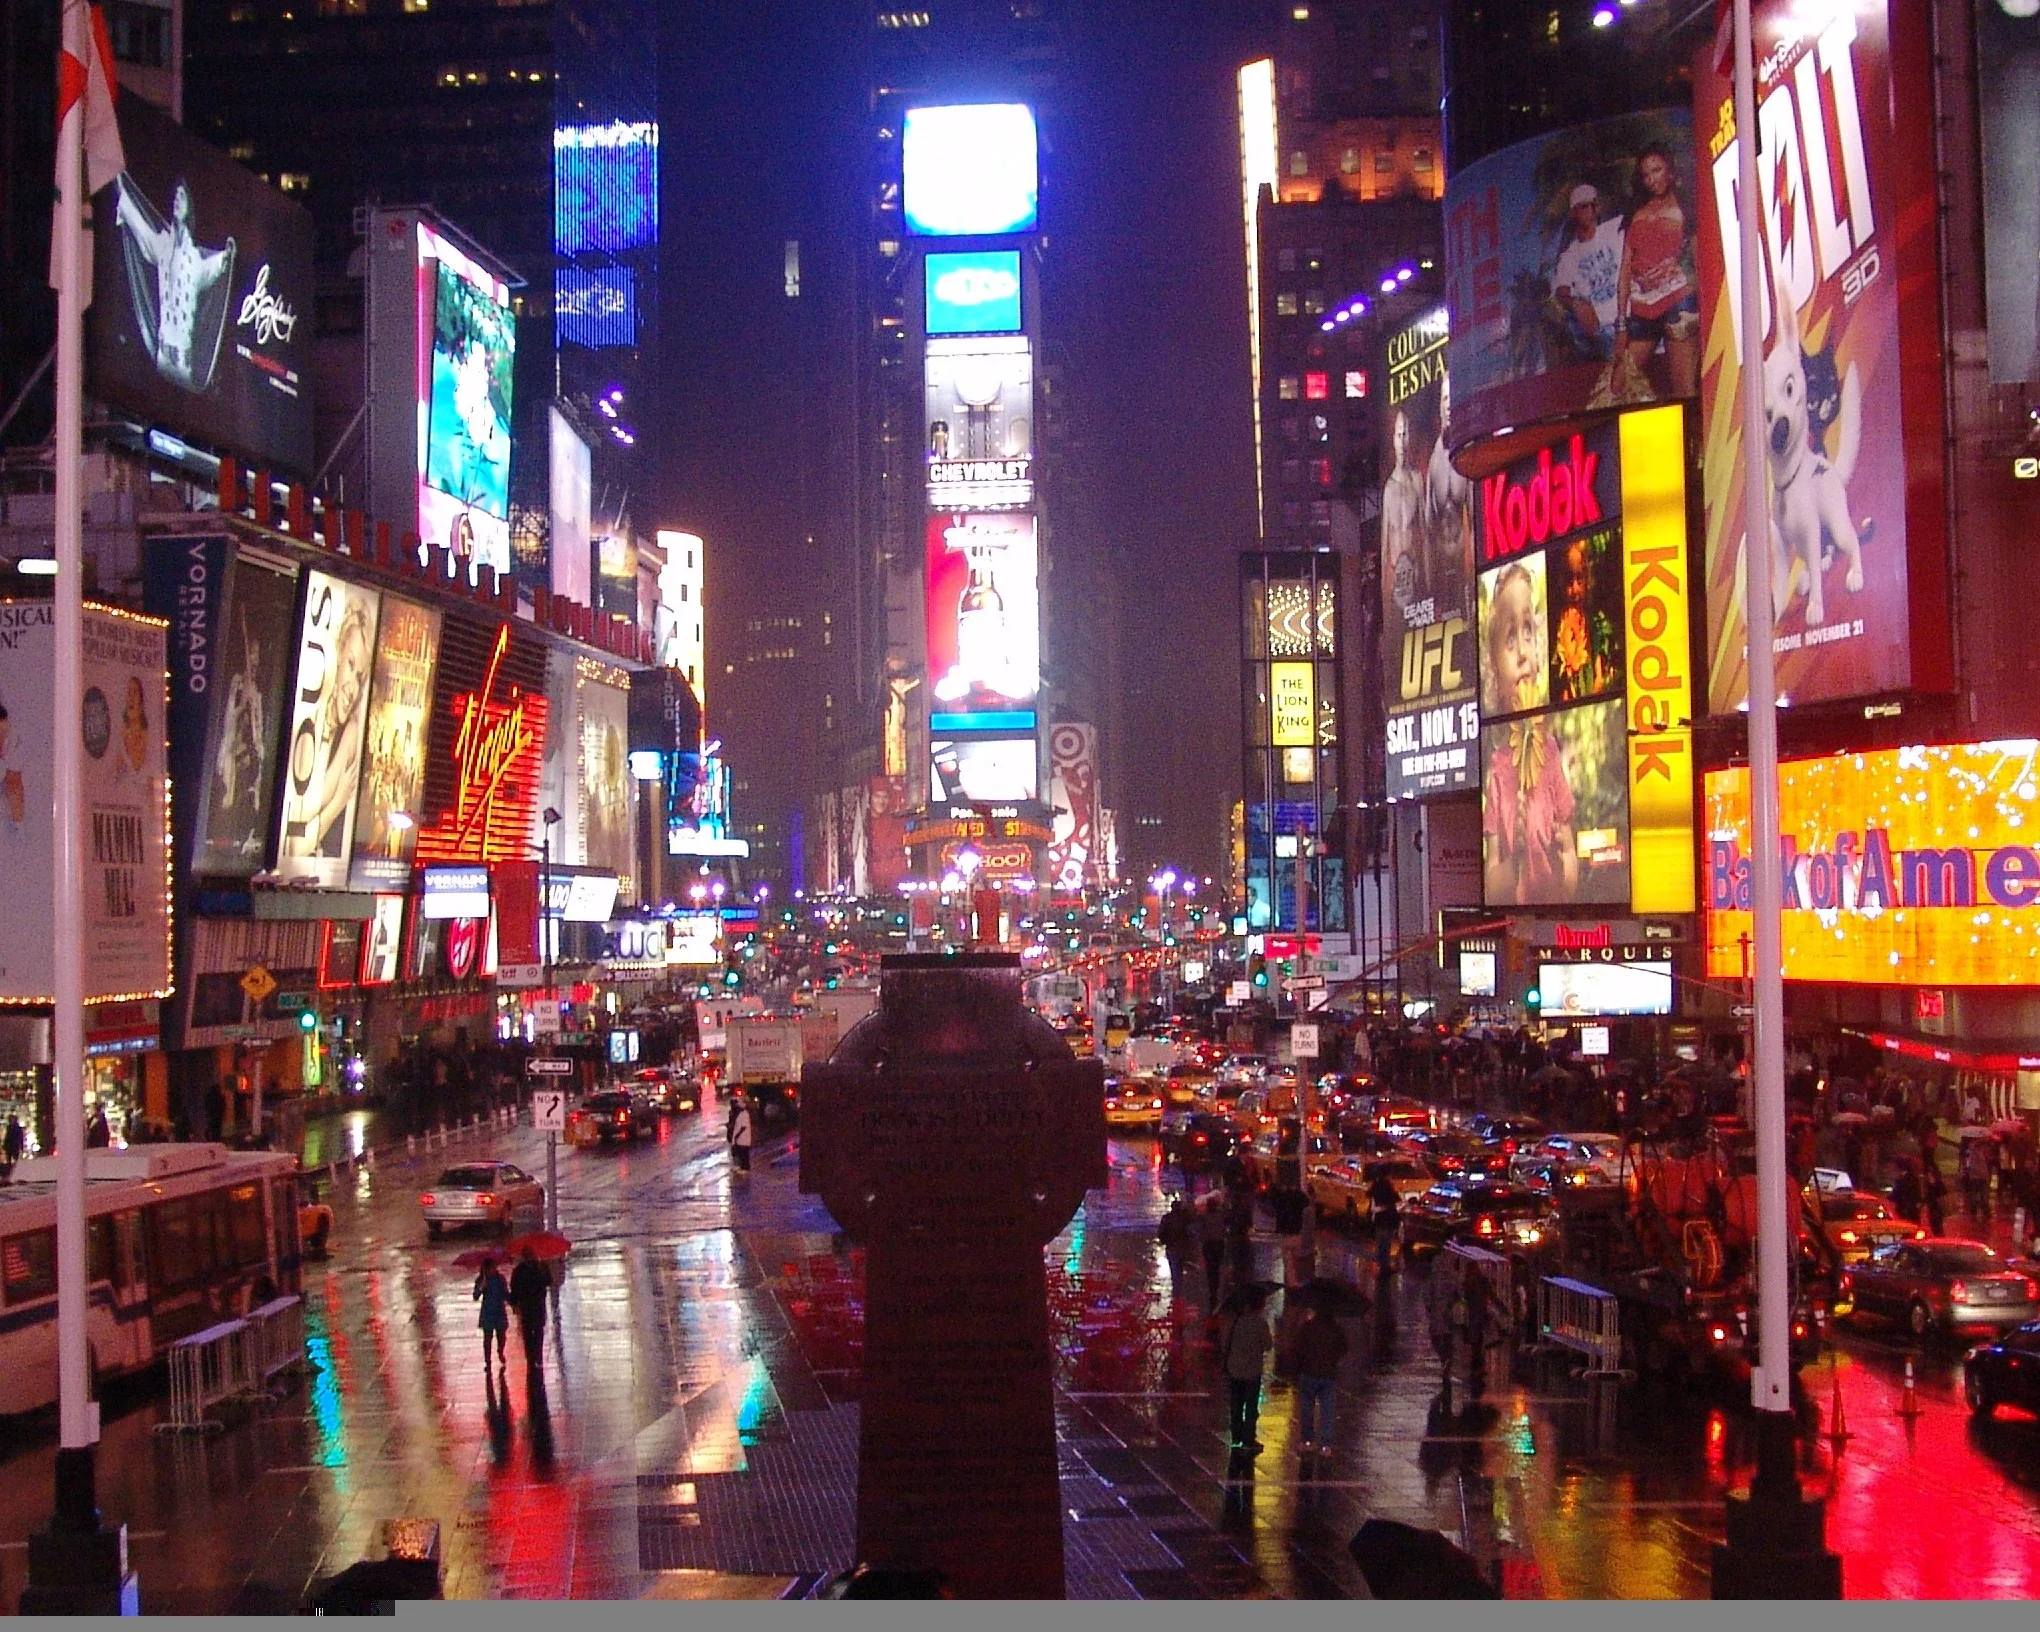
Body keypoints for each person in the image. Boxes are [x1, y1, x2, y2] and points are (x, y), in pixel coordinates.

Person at [1615, 145, 1698, 399]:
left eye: (1657, 170)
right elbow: (1625, 269)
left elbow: (1698, 258)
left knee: (1683, 390)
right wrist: (1621, 323)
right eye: (1646, 174)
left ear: (1669, 171)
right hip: (1642, 308)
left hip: (1678, 301)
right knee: (1617, 387)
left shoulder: (1685, 206)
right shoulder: (1636, 212)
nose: (1652, 179)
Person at [1551, 183, 1625, 362]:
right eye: (1579, 208)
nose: (1585, 212)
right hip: (1604, 328)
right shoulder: (1569, 256)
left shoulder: (1614, 229)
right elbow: (1561, 292)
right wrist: (1576, 304)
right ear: (1572, 213)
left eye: (1588, 206)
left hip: (1628, 317)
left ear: (1596, 208)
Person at [1217, 1286, 1272, 1455]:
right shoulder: (1260, 1323)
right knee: (1250, 1406)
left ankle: (1236, 1436)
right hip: (1252, 1371)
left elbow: (1225, 1343)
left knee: (1236, 1403)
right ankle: (1249, 1438)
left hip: (1235, 1369)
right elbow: (1268, 1345)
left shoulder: (1235, 1322)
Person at [1292, 1296, 1349, 1456]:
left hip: (1309, 1373)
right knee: (1327, 1409)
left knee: (1306, 1408)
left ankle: (1307, 1440)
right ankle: (1325, 1444)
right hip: (1328, 1374)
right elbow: (1343, 1348)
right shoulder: (1336, 1329)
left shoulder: (1308, 1327)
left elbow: (1298, 1349)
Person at [509, 1247, 550, 1370]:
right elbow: (515, 1288)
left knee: (535, 1332)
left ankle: (535, 1356)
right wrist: (515, 1303)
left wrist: (514, 1302)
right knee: (531, 1332)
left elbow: (548, 1281)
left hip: (534, 1306)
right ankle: (533, 1357)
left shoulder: (538, 1267)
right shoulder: (523, 1270)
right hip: (530, 1306)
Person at [473, 1259, 510, 1371]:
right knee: (487, 1339)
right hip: (488, 1312)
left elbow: (505, 1294)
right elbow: (475, 1296)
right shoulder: (481, 1280)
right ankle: (487, 1360)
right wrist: (481, 1287)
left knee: (501, 1336)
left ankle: (500, 1350)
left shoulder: (500, 1279)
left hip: (499, 1312)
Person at [1271, 1185, 1310, 1288]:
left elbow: (1273, 1205)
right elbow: (1307, 1201)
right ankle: (1293, 1281)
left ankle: (1291, 1283)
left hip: (1286, 1234)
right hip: (1296, 1233)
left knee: (1288, 1261)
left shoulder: (1281, 1198)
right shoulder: (1298, 1198)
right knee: (1294, 1259)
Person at [1368, 1168, 1402, 1276]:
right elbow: (1395, 1200)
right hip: (1388, 1219)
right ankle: (1384, 1266)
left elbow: (1370, 1196)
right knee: (1386, 1244)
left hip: (1379, 1219)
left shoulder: (1375, 1186)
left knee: (1380, 1242)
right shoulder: (1387, 1187)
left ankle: (1379, 1263)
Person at [1157, 1197, 1194, 1297]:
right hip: (1183, 1248)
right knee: (1180, 1271)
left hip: (1172, 1248)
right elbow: (1191, 1232)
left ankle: (1177, 1292)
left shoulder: (1167, 1218)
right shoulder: (1185, 1218)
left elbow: (1161, 1233)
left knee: (1175, 1271)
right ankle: (1179, 1291)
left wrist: (1165, 1241)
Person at [1198, 1190, 1228, 1305]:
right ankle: (1216, 1287)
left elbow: (1201, 1232)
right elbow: (1224, 1229)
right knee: (1217, 1266)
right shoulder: (1221, 1216)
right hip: (1219, 1244)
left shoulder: (1204, 1217)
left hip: (1209, 1245)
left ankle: (1213, 1290)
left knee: (1211, 1268)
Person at [728, 1093, 754, 1175]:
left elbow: (743, 1127)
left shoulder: (744, 1114)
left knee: (744, 1154)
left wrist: (737, 1136)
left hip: (743, 1138)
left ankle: (745, 1168)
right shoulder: (739, 1114)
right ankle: (741, 1166)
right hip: (740, 1139)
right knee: (740, 1152)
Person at [2, 1113, 24, 1181]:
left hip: (14, 1146)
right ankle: (9, 1174)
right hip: (10, 1147)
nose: (10, 1121)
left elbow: (20, 1138)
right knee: (9, 1161)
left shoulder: (17, 1128)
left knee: (15, 1161)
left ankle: (14, 1173)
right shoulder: (9, 1127)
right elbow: (7, 1137)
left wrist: (21, 1147)